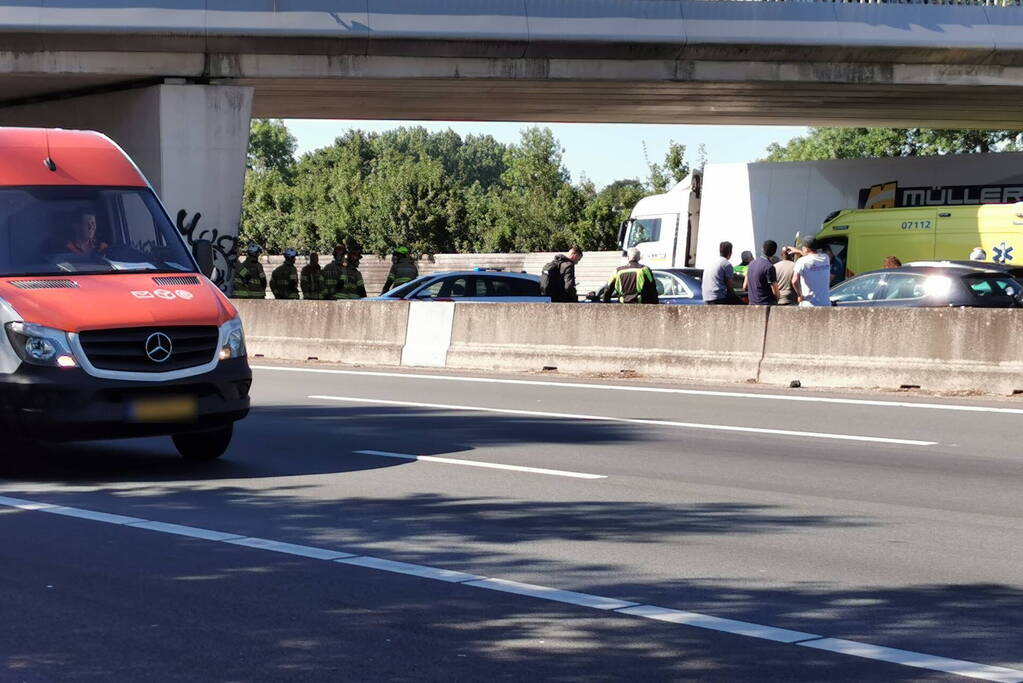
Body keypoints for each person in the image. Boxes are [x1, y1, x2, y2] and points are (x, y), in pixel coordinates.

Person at [792, 237, 831, 307]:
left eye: (802, 247)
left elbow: (794, 281)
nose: (802, 249)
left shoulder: (801, 261)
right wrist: (800, 252)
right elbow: (812, 257)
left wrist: (800, 295)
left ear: (806, 248)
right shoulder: (826, 258)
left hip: (809, 304)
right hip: (826, 304)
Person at [743, 240, 780, 306]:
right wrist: (777, 299)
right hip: (765, 305)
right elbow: (775, 292)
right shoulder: (769, 267)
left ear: (762, 249)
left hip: (752, 304)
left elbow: (745, 286)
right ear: (774, 252)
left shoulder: (751, 264)